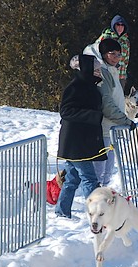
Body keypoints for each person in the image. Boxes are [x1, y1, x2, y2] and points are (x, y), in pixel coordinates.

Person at [55, 54, 105, 218]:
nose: (99, 72)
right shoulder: (75, 87)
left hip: (83, 142)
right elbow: (66, 111)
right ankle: (97, 213)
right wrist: (92, 116)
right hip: (76, 142)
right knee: (89, 178)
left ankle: (62, 212)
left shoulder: (90, 86)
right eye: (96, 69)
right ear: (87, 69)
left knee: (72, 179)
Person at [84, 38, 135, 187]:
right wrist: (125, 120)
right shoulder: (103, 73)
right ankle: (96, 201)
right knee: (99, 171)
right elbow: (106, 104)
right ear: (104, 54)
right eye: (113, 54)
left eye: (119, 54)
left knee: (108, 170)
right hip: (103, 129)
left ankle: (104, 201)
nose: (116, 58)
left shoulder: (111, 70)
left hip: (111, 129)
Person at [97, 15, 130, 88]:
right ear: (113, 25)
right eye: (118, 25)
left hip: (120, 76)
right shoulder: (106, 37)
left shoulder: (126, 41)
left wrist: (124, 73)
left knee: (118, 98)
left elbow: (126, 59)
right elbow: (97, 52)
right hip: (108, 74)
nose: (120, 27)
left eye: (122, 25)